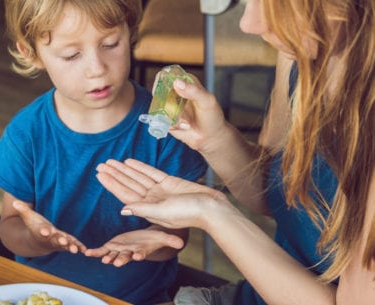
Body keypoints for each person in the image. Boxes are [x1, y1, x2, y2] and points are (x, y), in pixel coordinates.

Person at [95, 0, 375, 304]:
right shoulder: (301, 51)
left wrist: (212, 212)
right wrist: (214, 139)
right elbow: (278, 195)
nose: (249, 24)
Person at [0, 1, 208, 304]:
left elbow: (175, 238)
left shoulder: (167, 127)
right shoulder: (27, 134)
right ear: (31, 53)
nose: (97, 69)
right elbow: (10, 228)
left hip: (138, 298)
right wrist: (36, 240)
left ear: (130, 32)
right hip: (45, 293)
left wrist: (154, 243)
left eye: (110, 44)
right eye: (71, 55)